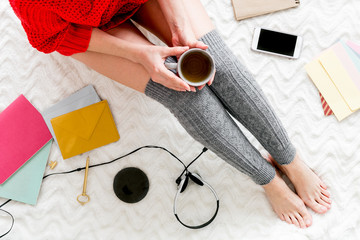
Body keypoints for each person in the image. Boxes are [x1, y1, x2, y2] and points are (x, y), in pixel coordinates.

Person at [9, 0, 331, 228]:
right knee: (184, 97)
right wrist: (141, 53)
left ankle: (290, 159)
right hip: (81, 27)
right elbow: (53, 35)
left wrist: (180, 28)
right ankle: (266, 178)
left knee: (217, 65)